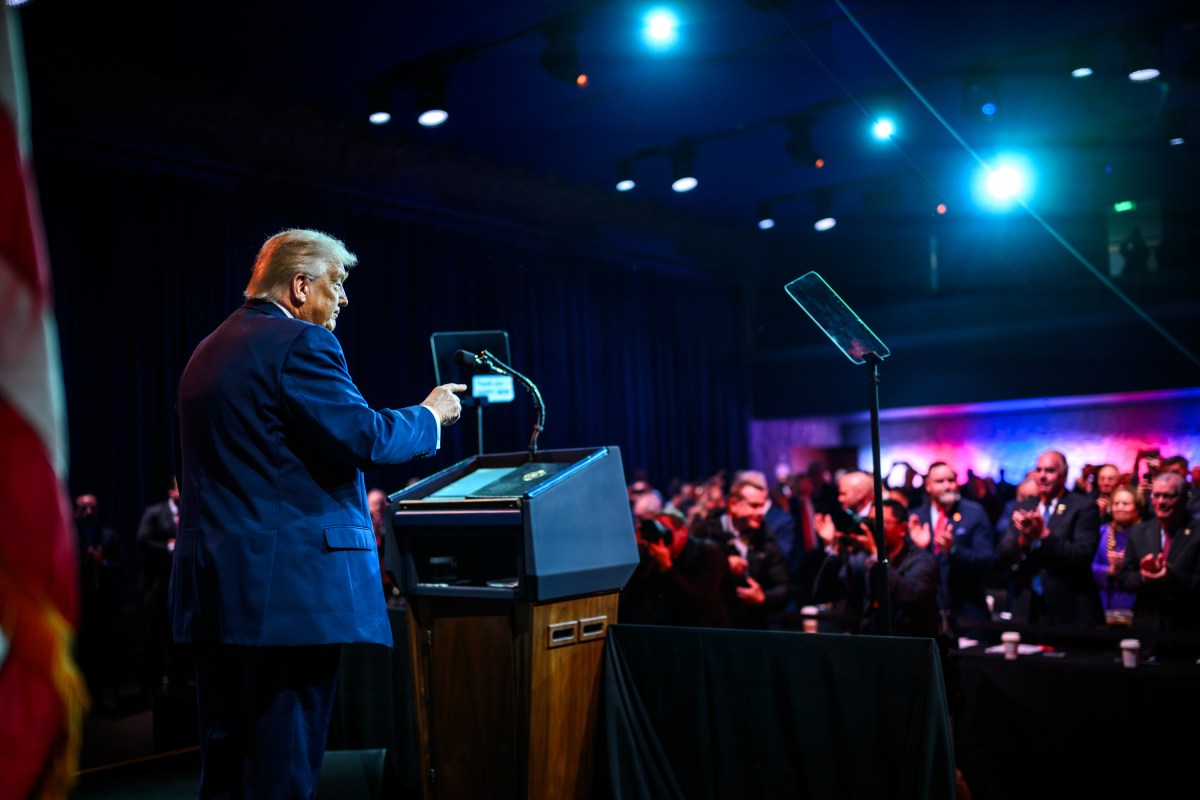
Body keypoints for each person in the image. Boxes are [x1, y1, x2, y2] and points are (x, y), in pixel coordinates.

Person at [170, 228, 466, 798]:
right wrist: (430, 415)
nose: (345, 299)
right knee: (282, 771)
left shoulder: (207, 352)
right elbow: (367, 439)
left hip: (217, 596)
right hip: (287, 600)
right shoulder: (300, 344)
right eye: (338, 283)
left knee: (228, 768)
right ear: (300, 286)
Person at [998, 450, 1104, 629]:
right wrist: (1025, 539)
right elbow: (1003, 554)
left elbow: (1083, 554)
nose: (1042, 476)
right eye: (1038, 470)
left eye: (1049, 471)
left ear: (1063, 475)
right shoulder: (1024, 506)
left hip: (1069, 607)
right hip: (1028, 607)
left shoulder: (1083, 506)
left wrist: (1044, 535)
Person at [811, 498, 939, 638]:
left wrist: (874, 555)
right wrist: (836, 551)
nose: (874, 528)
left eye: (880, 522)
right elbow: (823, 593)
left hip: (908, 646)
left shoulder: (923, 560)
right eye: (871, 522)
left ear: (902, 529)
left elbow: (908, 595)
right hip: (869, 645)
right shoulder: (862, 558)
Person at [908, 462, 997, 641]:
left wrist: (953, 550)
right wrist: (922, 548)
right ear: (928, 486)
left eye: (951, 480)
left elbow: (988, 559)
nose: (948, 485)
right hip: (928, 614)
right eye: (940, 481)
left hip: (968, 612)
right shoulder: (916, 517)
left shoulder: (974, 512)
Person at [693, 478, 792, 629]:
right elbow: (692, 577)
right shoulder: (706, 532)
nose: (760, 512)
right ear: (733, 504)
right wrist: (723, 563)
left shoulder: (766, 539)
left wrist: (763, 598)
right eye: (754, 506)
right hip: (712, 628)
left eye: (762, 506)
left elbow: (784, 587)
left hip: (751, 626)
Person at [1118, 472, 1200, 654]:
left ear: (1185, 498)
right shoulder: (1139, 532)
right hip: (1146, 633)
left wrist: (1171, 577)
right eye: (1156, 495)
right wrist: (1145, 577)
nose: (1161, 502)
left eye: (1168, 496)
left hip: (1186, 634)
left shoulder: (1196, 533)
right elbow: (1124, 577)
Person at [619, 511, 732, 628]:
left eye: (665, 531)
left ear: (682, 532)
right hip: (670, 628)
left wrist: (668, 567)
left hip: (706, 630)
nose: (661, 537)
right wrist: (639, 547)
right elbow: (635, 594)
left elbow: (700, 602)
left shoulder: (709, 553)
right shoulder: (655, 555)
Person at [137, 476, 188, 699]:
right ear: (170, 491)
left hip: (181, 587)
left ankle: (177, 684)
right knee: (153, 637)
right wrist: (167, 546)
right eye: (180, 485)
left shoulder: (190, 512)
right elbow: (142, 539)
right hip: (157, 586)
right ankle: (150, 687)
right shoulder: (155, 512)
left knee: (177, 640)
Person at [73, 492, 123, 712]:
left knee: (104, 652)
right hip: (79, 604)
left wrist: (103, 563)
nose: (89, 512)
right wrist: (86, 561)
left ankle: (102, 698)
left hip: (104, 604)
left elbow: (123, 564)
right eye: (83, 508)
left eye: (92, 507)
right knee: (81, 652)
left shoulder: (108, 536)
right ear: (76, 511)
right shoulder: (70, 537)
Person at [1091, 487, 1140, 616]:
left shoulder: (1146, 534)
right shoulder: (1101, 532)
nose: (1120, 508)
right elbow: (1089, 565)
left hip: (1136, 600)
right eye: (1116, 503)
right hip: (1104, 597)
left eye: (1125, 504)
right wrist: (1110, 570)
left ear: (1137, 509)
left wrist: (1126, 565)